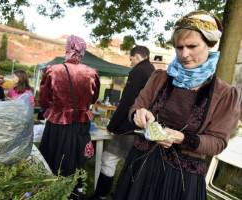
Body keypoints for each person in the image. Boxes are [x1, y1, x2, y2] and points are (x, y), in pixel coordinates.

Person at [113, 10, 240, 200]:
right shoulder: (160, 77)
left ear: (209, 44)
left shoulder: (224, 94)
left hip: (180, 179)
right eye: (179, 47)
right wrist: (138, 114)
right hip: (140, 166)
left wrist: (182, 138)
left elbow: (218, 142)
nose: (184, 54)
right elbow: (136, 107)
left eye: (192, 46)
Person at [38, 35, 100, 199]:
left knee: (56, 157)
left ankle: (53, 191)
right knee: (76, 155)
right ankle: (75, 191)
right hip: (81, 123)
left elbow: (43, 101)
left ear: (67, 48)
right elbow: (93, 99)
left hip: (58, 122)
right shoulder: (92, 73)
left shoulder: (53, 70)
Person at [89, 46, 155, 200]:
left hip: (130, 126)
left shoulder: (138, 71)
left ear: (137, 56)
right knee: (131, 165)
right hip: (144, 126)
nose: (130, 62)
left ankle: (101, 195)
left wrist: (112, 126)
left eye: (131, 59)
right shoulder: (153, 71)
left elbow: (127, 101)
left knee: (109, 159)